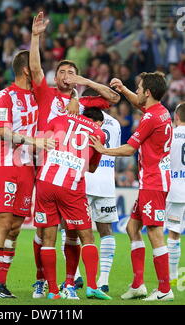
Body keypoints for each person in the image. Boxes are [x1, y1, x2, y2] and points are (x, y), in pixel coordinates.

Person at [30, 11, 120, 299]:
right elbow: (34, 69)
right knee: (43, 232)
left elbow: (113, 99)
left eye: (71, 72)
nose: (66, 76)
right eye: (62, 72)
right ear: (55, 76)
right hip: (44, 164)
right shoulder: (46, 94)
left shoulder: (81, 103)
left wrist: (85, 81)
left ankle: (67, 284)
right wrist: (35, 38)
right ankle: (42, 281)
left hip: (69, 170)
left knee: (70, 233)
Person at [91, 72, 174, 301]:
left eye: (138, 88)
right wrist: (123, 89)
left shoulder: (150, 118)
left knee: (156, 233)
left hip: (153, 183)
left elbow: (129, 148)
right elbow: (140, 103)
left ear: (147, 92)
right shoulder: (161, 111)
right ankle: (138, 285)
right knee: (132, 228)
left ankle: (165, 289)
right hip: (152, 180)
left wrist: (103, 149)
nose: (136, 91)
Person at [0, 50, 55, 299]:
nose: (41, 70)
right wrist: (34, 140)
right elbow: (3, 131)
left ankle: (2, 284)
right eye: (36, 66)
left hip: (28, 168)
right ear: (26, 69)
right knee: (3, 223)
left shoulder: (38, 95)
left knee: (16, 228)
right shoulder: (5, 96)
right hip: (6, 164)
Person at [34, 107, 112, 300]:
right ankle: (88, 286)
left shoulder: (59, 118)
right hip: (71, 186)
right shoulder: (98, 132)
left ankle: (52, 291)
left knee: (48, 239)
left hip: (45, 181)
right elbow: (92, 168)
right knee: (85, 237)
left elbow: (44, 145)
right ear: (98, 122)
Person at [60, 86, 121, 294]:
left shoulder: (80, 121)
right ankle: (103, 280)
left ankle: (75, 277)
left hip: (82, 180)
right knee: (106, 231)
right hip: (106, 184)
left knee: (69, 230)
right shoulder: (115, 124)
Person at [165, 102, 185, 286]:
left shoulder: (170, 135)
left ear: (176, 117)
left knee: (174, 234)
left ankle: (172, 278)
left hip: (176, 190)